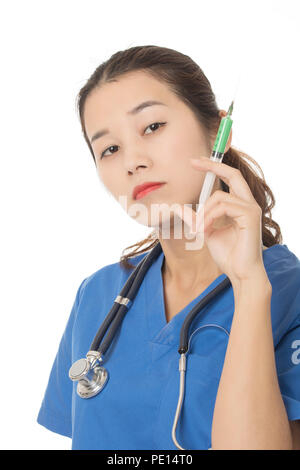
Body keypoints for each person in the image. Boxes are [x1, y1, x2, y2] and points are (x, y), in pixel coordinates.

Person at [37, 45, 300, 450]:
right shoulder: (98, 293)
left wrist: (249, 286)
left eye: (153, 127)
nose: (132, 161)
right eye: (109, 148)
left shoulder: (289, 292)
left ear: (217, 131)